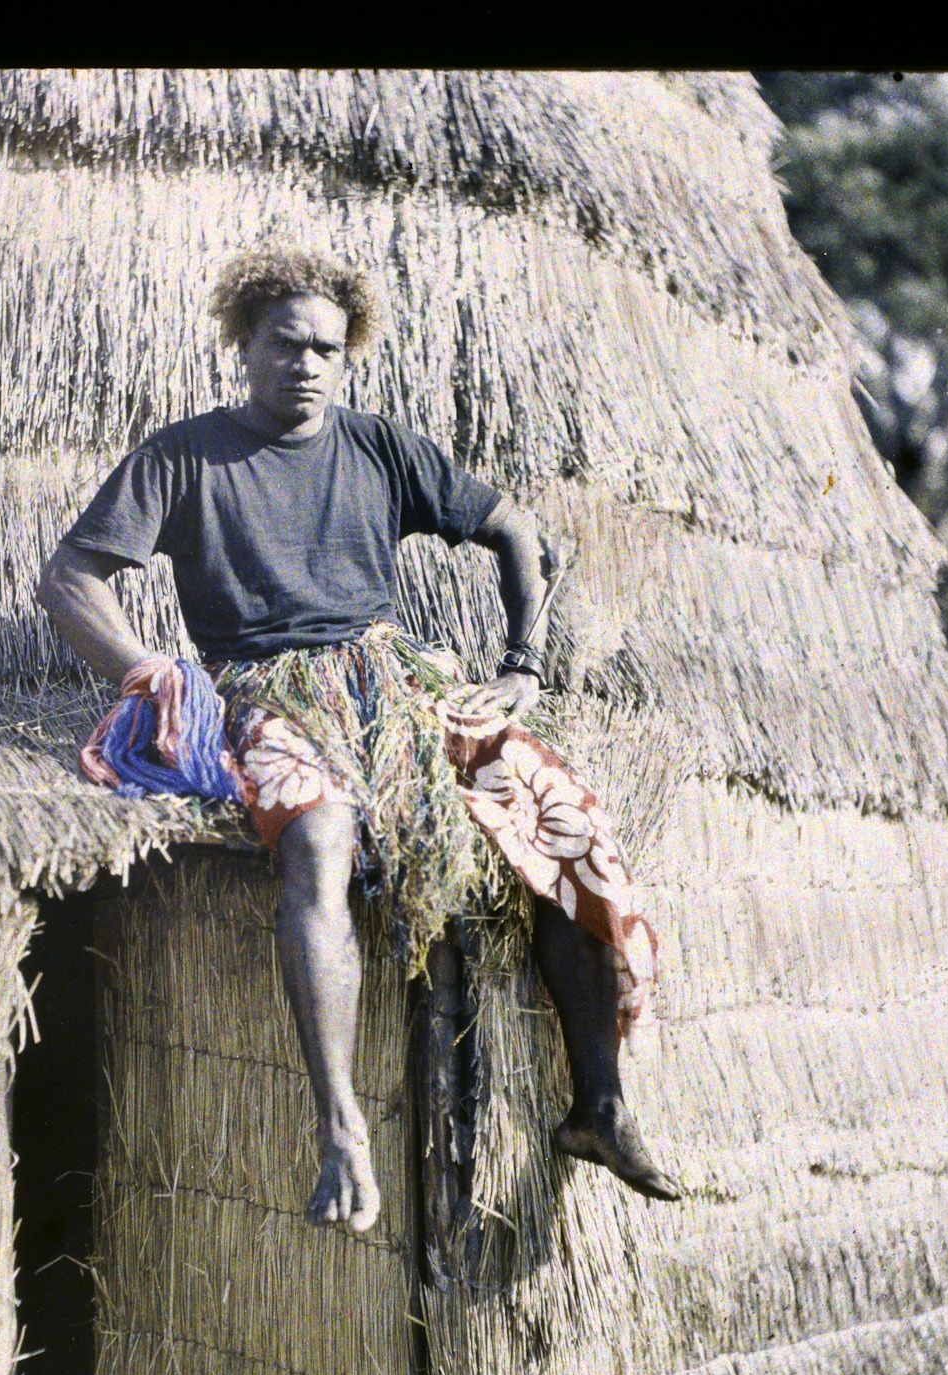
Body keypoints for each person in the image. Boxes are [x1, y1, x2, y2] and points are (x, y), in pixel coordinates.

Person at [38, 247, 680, 1234]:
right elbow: (72, 575)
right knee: (318, 837)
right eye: (287, 344)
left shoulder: (380, 446)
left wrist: (525, 659)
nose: (307, 364)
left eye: (327, 350)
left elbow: (516, 527)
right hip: (269, 691)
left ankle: (597, 1103)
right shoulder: (180, 457)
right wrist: (144, 669)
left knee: (561, 812)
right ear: (243, 344)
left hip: (395, 682)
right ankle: (341, 1128)